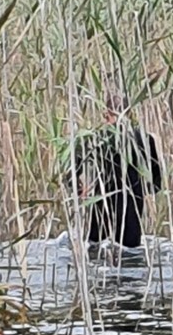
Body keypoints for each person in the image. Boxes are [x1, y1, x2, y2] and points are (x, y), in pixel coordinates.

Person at [68, 94, 162, 249]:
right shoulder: (144, 138)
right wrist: (148, 189)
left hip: (103, 198)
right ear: (129, 113)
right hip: (133, 200)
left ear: (106, 114)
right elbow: (156, 178)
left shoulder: (97, 138)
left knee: (95, 245)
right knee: (130, 249)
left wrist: (78, 188)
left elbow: (73, 169)